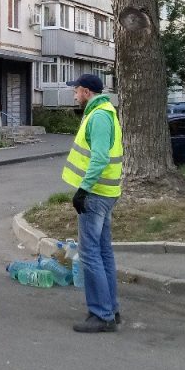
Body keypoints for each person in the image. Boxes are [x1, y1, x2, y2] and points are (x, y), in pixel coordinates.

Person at [62, 73, 123, 333]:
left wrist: (83, 191)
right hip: (105, 193)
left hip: (96, 194)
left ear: (86, 91)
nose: (74, 94)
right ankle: (111, 309)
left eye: (75, 90)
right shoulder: (104, 111)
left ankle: (102, 314)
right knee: (103, 252)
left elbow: (98, 158)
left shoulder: (98, 117)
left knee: (90, 254)